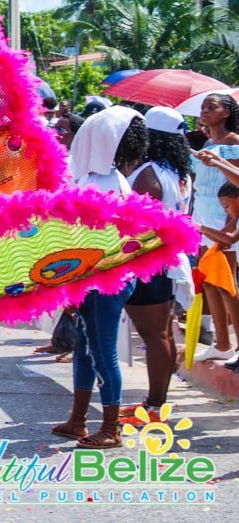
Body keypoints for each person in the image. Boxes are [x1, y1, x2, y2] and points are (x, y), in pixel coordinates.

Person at [53, 106, 147, 448]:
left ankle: (111, 429)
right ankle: (77, 420)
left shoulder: (102, 182)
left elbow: (89, 239)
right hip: (95, 277)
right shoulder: (103, 178)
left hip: (102, 280)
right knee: (85, 349)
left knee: (101, 351)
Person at [120, 107, 191, 426]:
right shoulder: (174, 171)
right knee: (161, 334)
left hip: (149, 262)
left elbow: (137, 225)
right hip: (166, 261)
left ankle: (155, 408)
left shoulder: (148, 174)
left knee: (155, 336)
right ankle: (155, 402)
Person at [189, 94, 239, 363]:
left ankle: (237, 346)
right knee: (208, 281)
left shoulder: (233, 143)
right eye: (203, 108)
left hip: (224, 218)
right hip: (203, 216)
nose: (205, 112)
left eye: (212, 107)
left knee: (226, 284)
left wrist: (218, 162)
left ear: (226, 113)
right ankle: (221, 344)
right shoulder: (208, 142)